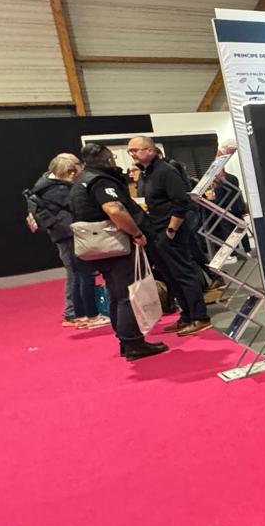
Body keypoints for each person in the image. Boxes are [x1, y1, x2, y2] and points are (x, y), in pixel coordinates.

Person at [69, 143, 168, 362]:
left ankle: (126, 341)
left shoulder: (81, 180)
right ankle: (133, 343)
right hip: (115, 245)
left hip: (98, 247)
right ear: (107, 159)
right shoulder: (100, 181)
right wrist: (136, 233)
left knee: (115, 294)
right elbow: (114, 209)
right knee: (127, 295)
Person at [128, 135, 212, 337]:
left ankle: (200, 317)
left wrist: (171, 230)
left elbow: (181, 202)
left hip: (170, 232)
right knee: (171, 276)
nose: (132, 154)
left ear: (150, 150)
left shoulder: (166, 171)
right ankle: (187, 315)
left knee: (184, 274)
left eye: (135, 150)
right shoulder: (146, 173)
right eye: (130, 151)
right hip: (155, 231)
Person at [27, 153, 105, 330]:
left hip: (63, 234)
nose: (80, 169)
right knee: (83, 275)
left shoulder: (45, 185)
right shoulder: (56, 189)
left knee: (77, 275)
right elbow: (77, 205)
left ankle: (78, 314)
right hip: (69, 234)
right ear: (67, 170)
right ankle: (87, 315)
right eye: (77, 166)